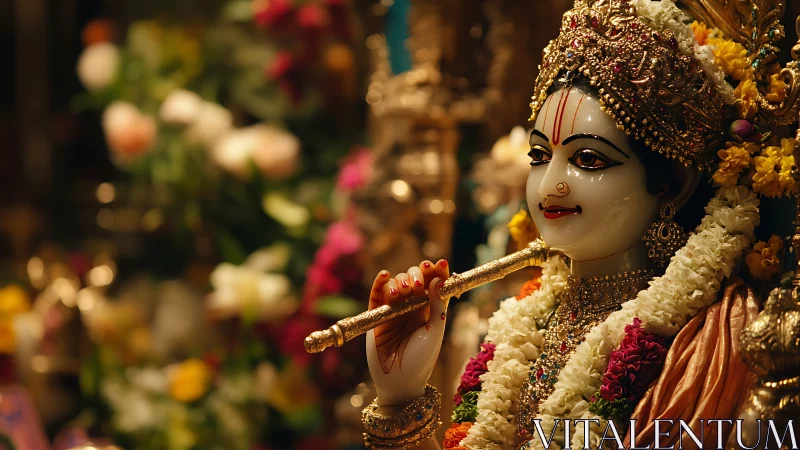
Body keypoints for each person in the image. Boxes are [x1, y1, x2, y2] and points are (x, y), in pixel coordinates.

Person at [362, 0, 799, 449]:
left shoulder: (711, 340)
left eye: (588, 159)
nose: (549, 186)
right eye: (539, 156)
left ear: (674, 185)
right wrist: (400, 397)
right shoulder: (521, 324)